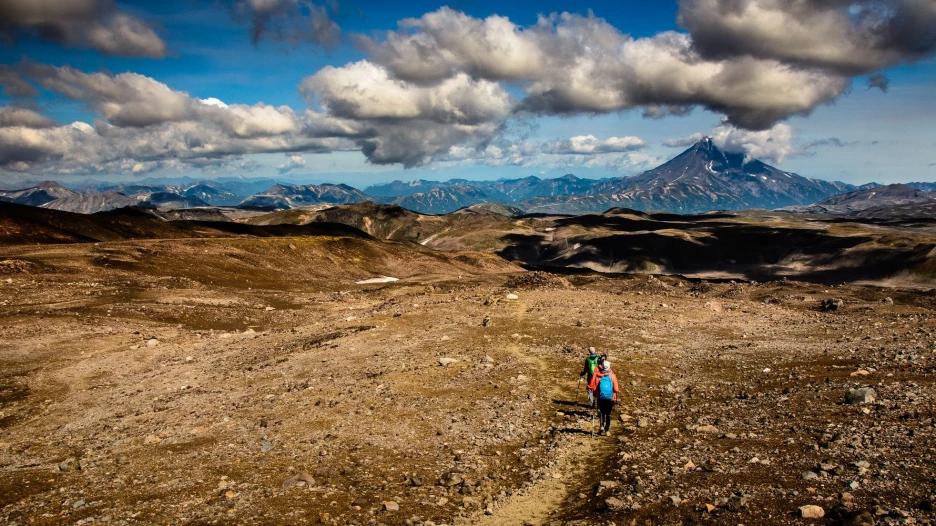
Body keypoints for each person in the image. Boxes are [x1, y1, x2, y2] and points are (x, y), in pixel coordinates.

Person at [587, 360, 619, 436]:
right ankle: (607, 430)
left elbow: (593, 386)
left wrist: (594, 393)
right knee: (608, 414)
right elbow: (616, 389)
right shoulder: (613, 376)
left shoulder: (598, 375)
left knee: (601, 412)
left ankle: (601, 426)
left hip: (600, 397)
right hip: (610, 397)